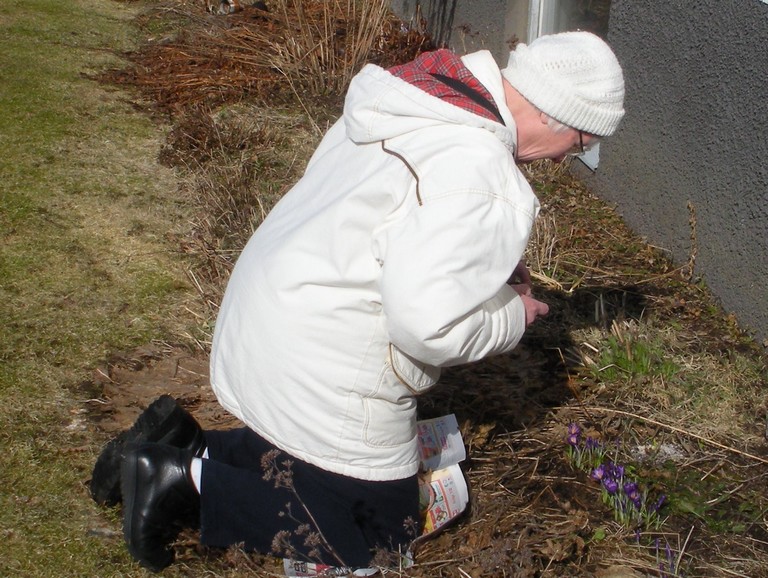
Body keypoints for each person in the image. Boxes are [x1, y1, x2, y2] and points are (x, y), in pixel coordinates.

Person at [91, 30, 625, 572]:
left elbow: (394, 221)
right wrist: (513, 314)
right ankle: (179, 481)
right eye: (582, 146)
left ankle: (183, 445)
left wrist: (486, 268)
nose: (566, 161)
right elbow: (427, 327)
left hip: (276, 307)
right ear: (559, 116)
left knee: (317, 470)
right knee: (379, 531)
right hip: (325, 350)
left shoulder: (422, 98)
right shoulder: (481, 172)